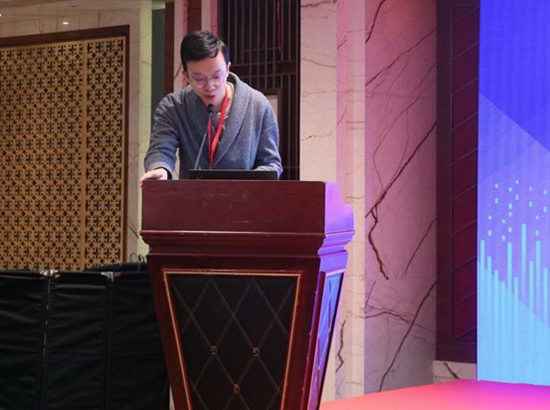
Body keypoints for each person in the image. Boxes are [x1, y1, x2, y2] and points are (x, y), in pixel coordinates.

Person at [141, 31, 282, 183]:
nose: (210, 86)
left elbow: (271, 163)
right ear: (186, 76)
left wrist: (247, 184)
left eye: (216, 76)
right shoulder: (173, 107)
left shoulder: (258, 105)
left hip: (245, 196)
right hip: (194, 196)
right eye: (199, 79)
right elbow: (161, 149)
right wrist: (160, 169)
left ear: (228, 69)